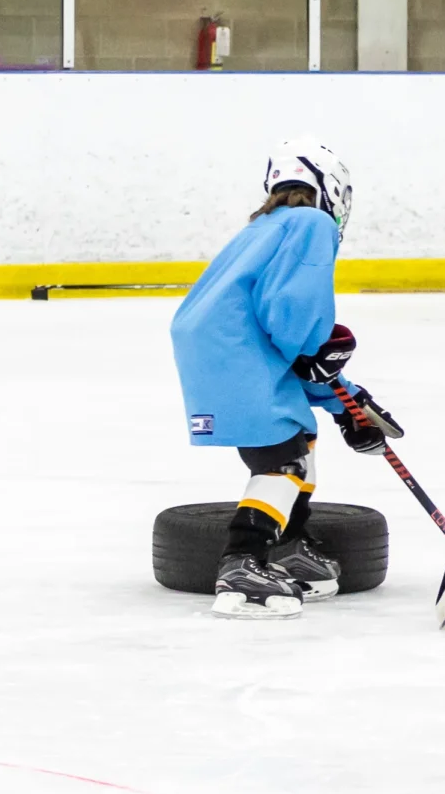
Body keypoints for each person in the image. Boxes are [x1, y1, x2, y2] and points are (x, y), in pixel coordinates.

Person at [167, 141, 402, 619]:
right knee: (283, 464)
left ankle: (289, 546)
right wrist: (318, 347)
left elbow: (295, 358)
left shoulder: (264, 228)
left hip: (215, 345)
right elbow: (292, 316)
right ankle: (243, 564)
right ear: (333, 191)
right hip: (235, 348)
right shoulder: (313, 224)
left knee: (297, 437)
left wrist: (349, 407)